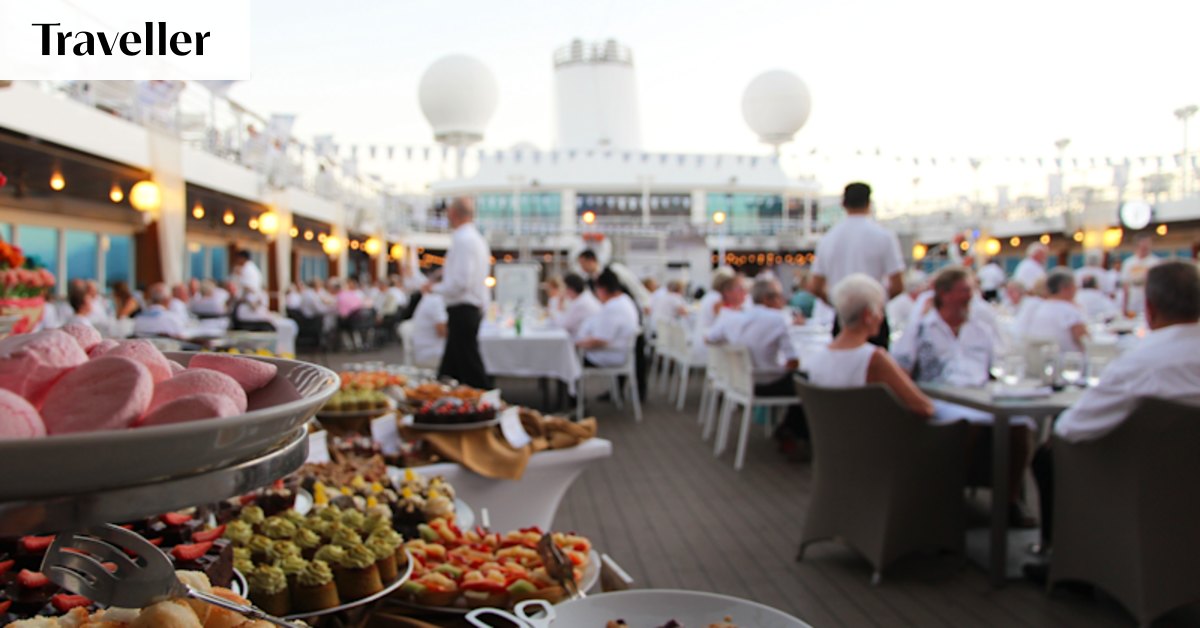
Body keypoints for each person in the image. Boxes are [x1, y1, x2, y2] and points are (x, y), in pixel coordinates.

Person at [1029, 261, 1200, 557]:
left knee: (1048, 456)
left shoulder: (1140, 363)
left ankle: (1065, 555)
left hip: (1141, 484)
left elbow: (1070, 429)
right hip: (1188, 483)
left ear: (1149, 307)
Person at [893, 266, 1033, 523]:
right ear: (945, 294)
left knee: (1019, 423)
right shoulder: (922, 327)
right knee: (968, 422)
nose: (971, 296)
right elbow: (901, 367)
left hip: (978, 394)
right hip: (939, 398)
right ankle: (948, 499)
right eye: (965, 290)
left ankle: (1009, 501)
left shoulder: (981, 327)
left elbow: (999, 362)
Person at [806, 274, 935, 417]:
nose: (881, 317)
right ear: (868, 315)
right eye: (880, 310)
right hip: (872, 436)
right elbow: (924, 407)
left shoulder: (818, 358)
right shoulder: (874, 359)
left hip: (831, 436)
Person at [706, 277, 806, 456]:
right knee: (807, 385)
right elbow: (793, 361)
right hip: (763, 383)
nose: (782, 301)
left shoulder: (734, 317)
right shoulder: (777, 319)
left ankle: (786, 428)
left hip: (739, 381)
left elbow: (710, 338)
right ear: (767, 299)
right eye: (779, 296)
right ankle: (792, 432)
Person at [810, 182, 905, 348]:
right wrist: (877, 303)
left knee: (843, 370)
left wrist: (840, 304)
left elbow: (816, 286)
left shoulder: (828, 239)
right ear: (869, 203)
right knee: (877, 369)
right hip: (874, 317)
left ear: (843, 204)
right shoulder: (884, 236)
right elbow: (898, 285)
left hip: (843, 319)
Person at [425, 197, 491, 389]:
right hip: (468, 310)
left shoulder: (464, 239)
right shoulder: (476, 239)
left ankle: (490, 406)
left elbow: (461, 283)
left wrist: (433, 288)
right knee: (452, 370)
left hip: (463, 311)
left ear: (452, 214)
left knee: (470, 370)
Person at [577, 249, 651, 398]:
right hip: (615, 317)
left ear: (591, 260)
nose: (582, 268)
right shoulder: (590, 281)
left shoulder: (615, 270)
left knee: (637, 355)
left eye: (582, 264)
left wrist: (645, 305)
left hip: (630, 314)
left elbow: (636, 287)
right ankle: (617, 392)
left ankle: (640, 391)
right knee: (618, 346)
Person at [576, 269, 640, 368]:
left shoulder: (613, 307)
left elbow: (600, 340)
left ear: (602, 289)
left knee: (568, 358)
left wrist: (577, 344)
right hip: (618, 352)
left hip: (608, 355)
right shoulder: (624, 299)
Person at [1020, 268, 1087, 353]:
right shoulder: (1069, 311)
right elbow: (1084, 340)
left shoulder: (1039, 308)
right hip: (1068, 361)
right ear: (1067, 288)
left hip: (1041, 359)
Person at [1120, 235, 1161, 316]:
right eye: (1143, 245)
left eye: (1147, 245)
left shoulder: (1156, 262)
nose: (1145, 247)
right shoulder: (1128, 263)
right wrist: (1124, 306)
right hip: (1133, 299)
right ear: (1137, 245)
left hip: (1149, 298)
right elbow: (1125, 286)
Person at [551, 273, 601, 339]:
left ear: (570, 289)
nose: (562, 291)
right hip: (586, 337)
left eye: (564, 287)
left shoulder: (581, 303)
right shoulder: (584, 298)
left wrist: (559, 304)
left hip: (584, 340)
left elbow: (563, 325)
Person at [409, 286, 448, 368]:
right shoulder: (437, 301)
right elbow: (442, 331)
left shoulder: (430, 299)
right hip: (432, 355)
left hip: (424, 352)